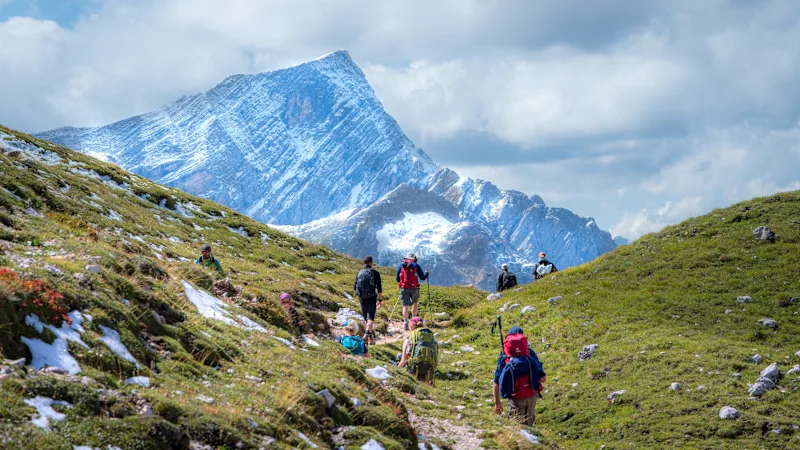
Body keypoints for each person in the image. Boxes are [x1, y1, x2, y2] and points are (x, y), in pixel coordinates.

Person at [493, 326, 546, 426]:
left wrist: (497, 403)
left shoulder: (505, 357)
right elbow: (543, 379)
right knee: (529, 427)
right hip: (531, 396)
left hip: (516, 398)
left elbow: (496, 382)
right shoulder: (530, 353)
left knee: (517, 428)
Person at [398, 316, 438, 385]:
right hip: (428, 370)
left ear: (410, 327)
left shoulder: (408, 340)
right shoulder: (433, 340)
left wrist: (396, 372)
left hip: (414, 369)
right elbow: (435, 359)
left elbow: (403, 361)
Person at [354, 255, 383, 345]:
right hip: (371, 298)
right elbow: (379, 288)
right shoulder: (375, 273)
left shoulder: (359, 272)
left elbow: (355, 287)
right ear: (371, 263)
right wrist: (380, 299)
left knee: (366, 318)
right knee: (370, 317)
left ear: (364, 263)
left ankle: (371, 339)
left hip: (362, 298)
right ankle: (367, 335)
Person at [396, 253, 429, 331]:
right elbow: (422, 277)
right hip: (414, 288)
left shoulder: (401, 266)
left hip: (404, 288)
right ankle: (414, 322)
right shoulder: (416, 266)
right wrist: (427, 274)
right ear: (414, 259)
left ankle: (405, 323)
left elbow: (397, 279)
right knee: (415, 303)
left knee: (405, 306)